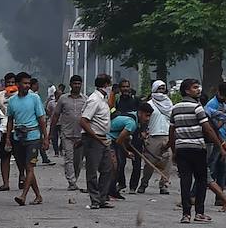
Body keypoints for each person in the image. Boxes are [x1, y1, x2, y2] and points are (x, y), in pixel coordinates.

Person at [169, 78, 226, 223]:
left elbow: (172, 131)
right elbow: (207, 128)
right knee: (201, 180)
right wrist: (220, 146)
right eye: (195, 88)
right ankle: (199, 213)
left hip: (182, 149)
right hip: (197, 148)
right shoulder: (197, 107)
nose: (198, 90)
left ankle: (186, 214)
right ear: (187, 90)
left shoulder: (175, 108)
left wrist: (174, 150)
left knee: (185, 181)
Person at [5, 71, 49, 206]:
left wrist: (45, 137)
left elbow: (41, 119)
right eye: (24, 83)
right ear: (18, 84)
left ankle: (23, 196)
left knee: (30, 166)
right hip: (18, 137)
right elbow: (10, 120)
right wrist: (8, 138)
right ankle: (38, 195)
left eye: (29, 83)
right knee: (25, 167)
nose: (27, 86)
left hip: (33, 137)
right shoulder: (12, 101)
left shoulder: (35, 98)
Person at [80, 74, 115, 209]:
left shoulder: (103, 100)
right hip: (94, 139)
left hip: (103, 137)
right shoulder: (94, 100)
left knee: (107, 168)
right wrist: (95, 136)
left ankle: (102, 197)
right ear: (105, 85)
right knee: (92, 170)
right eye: (110, 85)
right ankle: (95, 199)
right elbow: (83, 121)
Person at [107, 104, 153, 199]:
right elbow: (119, 140)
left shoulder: (133, 117)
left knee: (117, 166)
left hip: (113, 139)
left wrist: (126, 150)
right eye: (146, 115)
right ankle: (107, 192)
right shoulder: (131, 123)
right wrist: (126, 151)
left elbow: (121, 138)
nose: (148, 119)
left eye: (149, 116)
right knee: (114, 166)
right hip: (109, 140)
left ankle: (111, 191)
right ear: (140, 113)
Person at [51, 75, 87, 191]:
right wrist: (50, 133)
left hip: (81, 135)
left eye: (79, 83)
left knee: (78, 160)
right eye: (75, 83)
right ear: (71, 85)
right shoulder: (63, 99)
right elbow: (56, 115)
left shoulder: (85, 99)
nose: (77, 85)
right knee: (69, 159)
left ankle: (74, 178)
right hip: (67, 134)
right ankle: (71, 181)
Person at [138, 80, 172, 195]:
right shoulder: (150, 104)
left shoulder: (169, 104)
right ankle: (144, 184)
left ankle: (164, 185)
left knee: (167, 162)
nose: (161, 91)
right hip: (153, 136)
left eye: (163, 88)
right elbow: (144, 120)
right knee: (150, 163)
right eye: (159, 88)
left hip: (167, 135)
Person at [204, 83, 226, 203]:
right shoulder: (211, 104)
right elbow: (212, 126)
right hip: (214, 139)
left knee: (222, 169)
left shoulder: (224, 104)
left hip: (223, 137)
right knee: (210, 169)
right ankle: (194, 194)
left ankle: (219, 197)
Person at [0, 72, 17, 191]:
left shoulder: (21, 96)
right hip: (3, 130)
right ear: (5, 83)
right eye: (8, 82)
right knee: (4, 157)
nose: (10, 84)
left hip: (18, 129)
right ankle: (5, 183)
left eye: (13, 82)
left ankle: (22, 177)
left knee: (20, 157)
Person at [47, 86, 63, 157]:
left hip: (62, 122)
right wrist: (51, 116)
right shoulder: (51, 103)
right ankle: (56, 151)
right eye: (59, 95)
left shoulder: (63, 102)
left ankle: (61, 148)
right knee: (54, 137)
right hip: (54, 122)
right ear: (56, 95)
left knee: (63, 137)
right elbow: (48, 110)